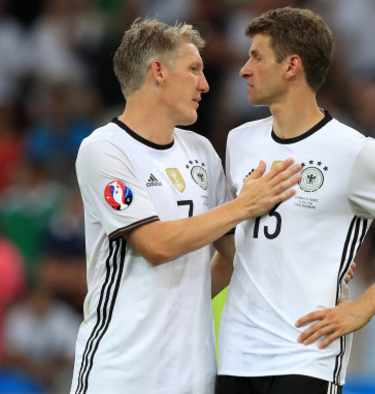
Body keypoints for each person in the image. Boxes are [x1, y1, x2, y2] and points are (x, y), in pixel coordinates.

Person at [214, 7, 375, 394]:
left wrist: (366, 305)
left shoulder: (354, 152)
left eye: (256, 57)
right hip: (235, 354)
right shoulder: (239, 141)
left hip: (307, 356)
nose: (244, 69)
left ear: (292, 65)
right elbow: (239, 246)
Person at [70, 18, 303, 394]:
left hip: (193, 377)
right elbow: (156, 245)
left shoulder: (201, 152)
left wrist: (319, 258)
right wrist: (243, 205)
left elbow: (237, 255)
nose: (205, 85)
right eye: (194, 70)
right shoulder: (105, 149)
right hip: (120, 374)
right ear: (158, 72)